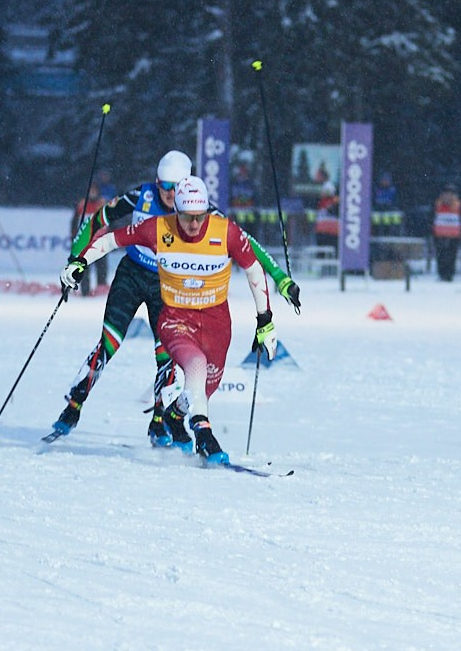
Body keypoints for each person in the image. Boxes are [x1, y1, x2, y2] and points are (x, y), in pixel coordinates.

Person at [50, 151, 300, 445]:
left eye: (177, 186)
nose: (170, 193)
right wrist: (75, 261)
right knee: (109, 343)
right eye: (164, 186)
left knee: (166, 357)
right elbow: (97, 223)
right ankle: (73, 407)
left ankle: (160, 422)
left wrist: (281, 279)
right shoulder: (139, 197)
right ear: (156, 182)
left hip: (167, 286)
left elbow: (248, 248)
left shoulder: (200, 211)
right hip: (131, 276)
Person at [431, 185, 461, 282]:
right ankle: (441, 274)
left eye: (450, 194)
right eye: (445, 194)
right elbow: (432, 217)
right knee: (440, 254)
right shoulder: (437, 205)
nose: (447, 196)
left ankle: (449, 274)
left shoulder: (458, 205)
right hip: (439, 233)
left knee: (452, 255)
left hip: (454, 234)